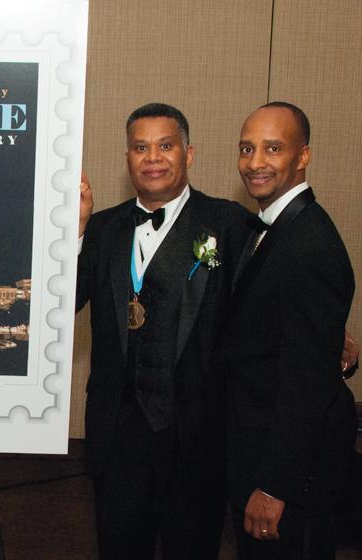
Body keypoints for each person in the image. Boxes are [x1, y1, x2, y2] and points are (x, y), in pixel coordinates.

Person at [76, 103, 250, 559]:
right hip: (119, 433)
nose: (152, 157)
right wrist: (75, 232)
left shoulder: (228, 224)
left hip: (196, 432)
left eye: (165, 146)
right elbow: (64, 303)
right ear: (128, 158)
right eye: (140, 148)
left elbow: (261, 304)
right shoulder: (101, 228)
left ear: (188, 154)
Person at [219, 102, 356, 560]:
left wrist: (275, 487)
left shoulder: (308, 244)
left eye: (273, 148)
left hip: (285, 468)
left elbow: (307, 385)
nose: (255, 162)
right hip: (257, 446)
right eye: (247, 149)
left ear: (303, 156)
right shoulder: (273, 227)